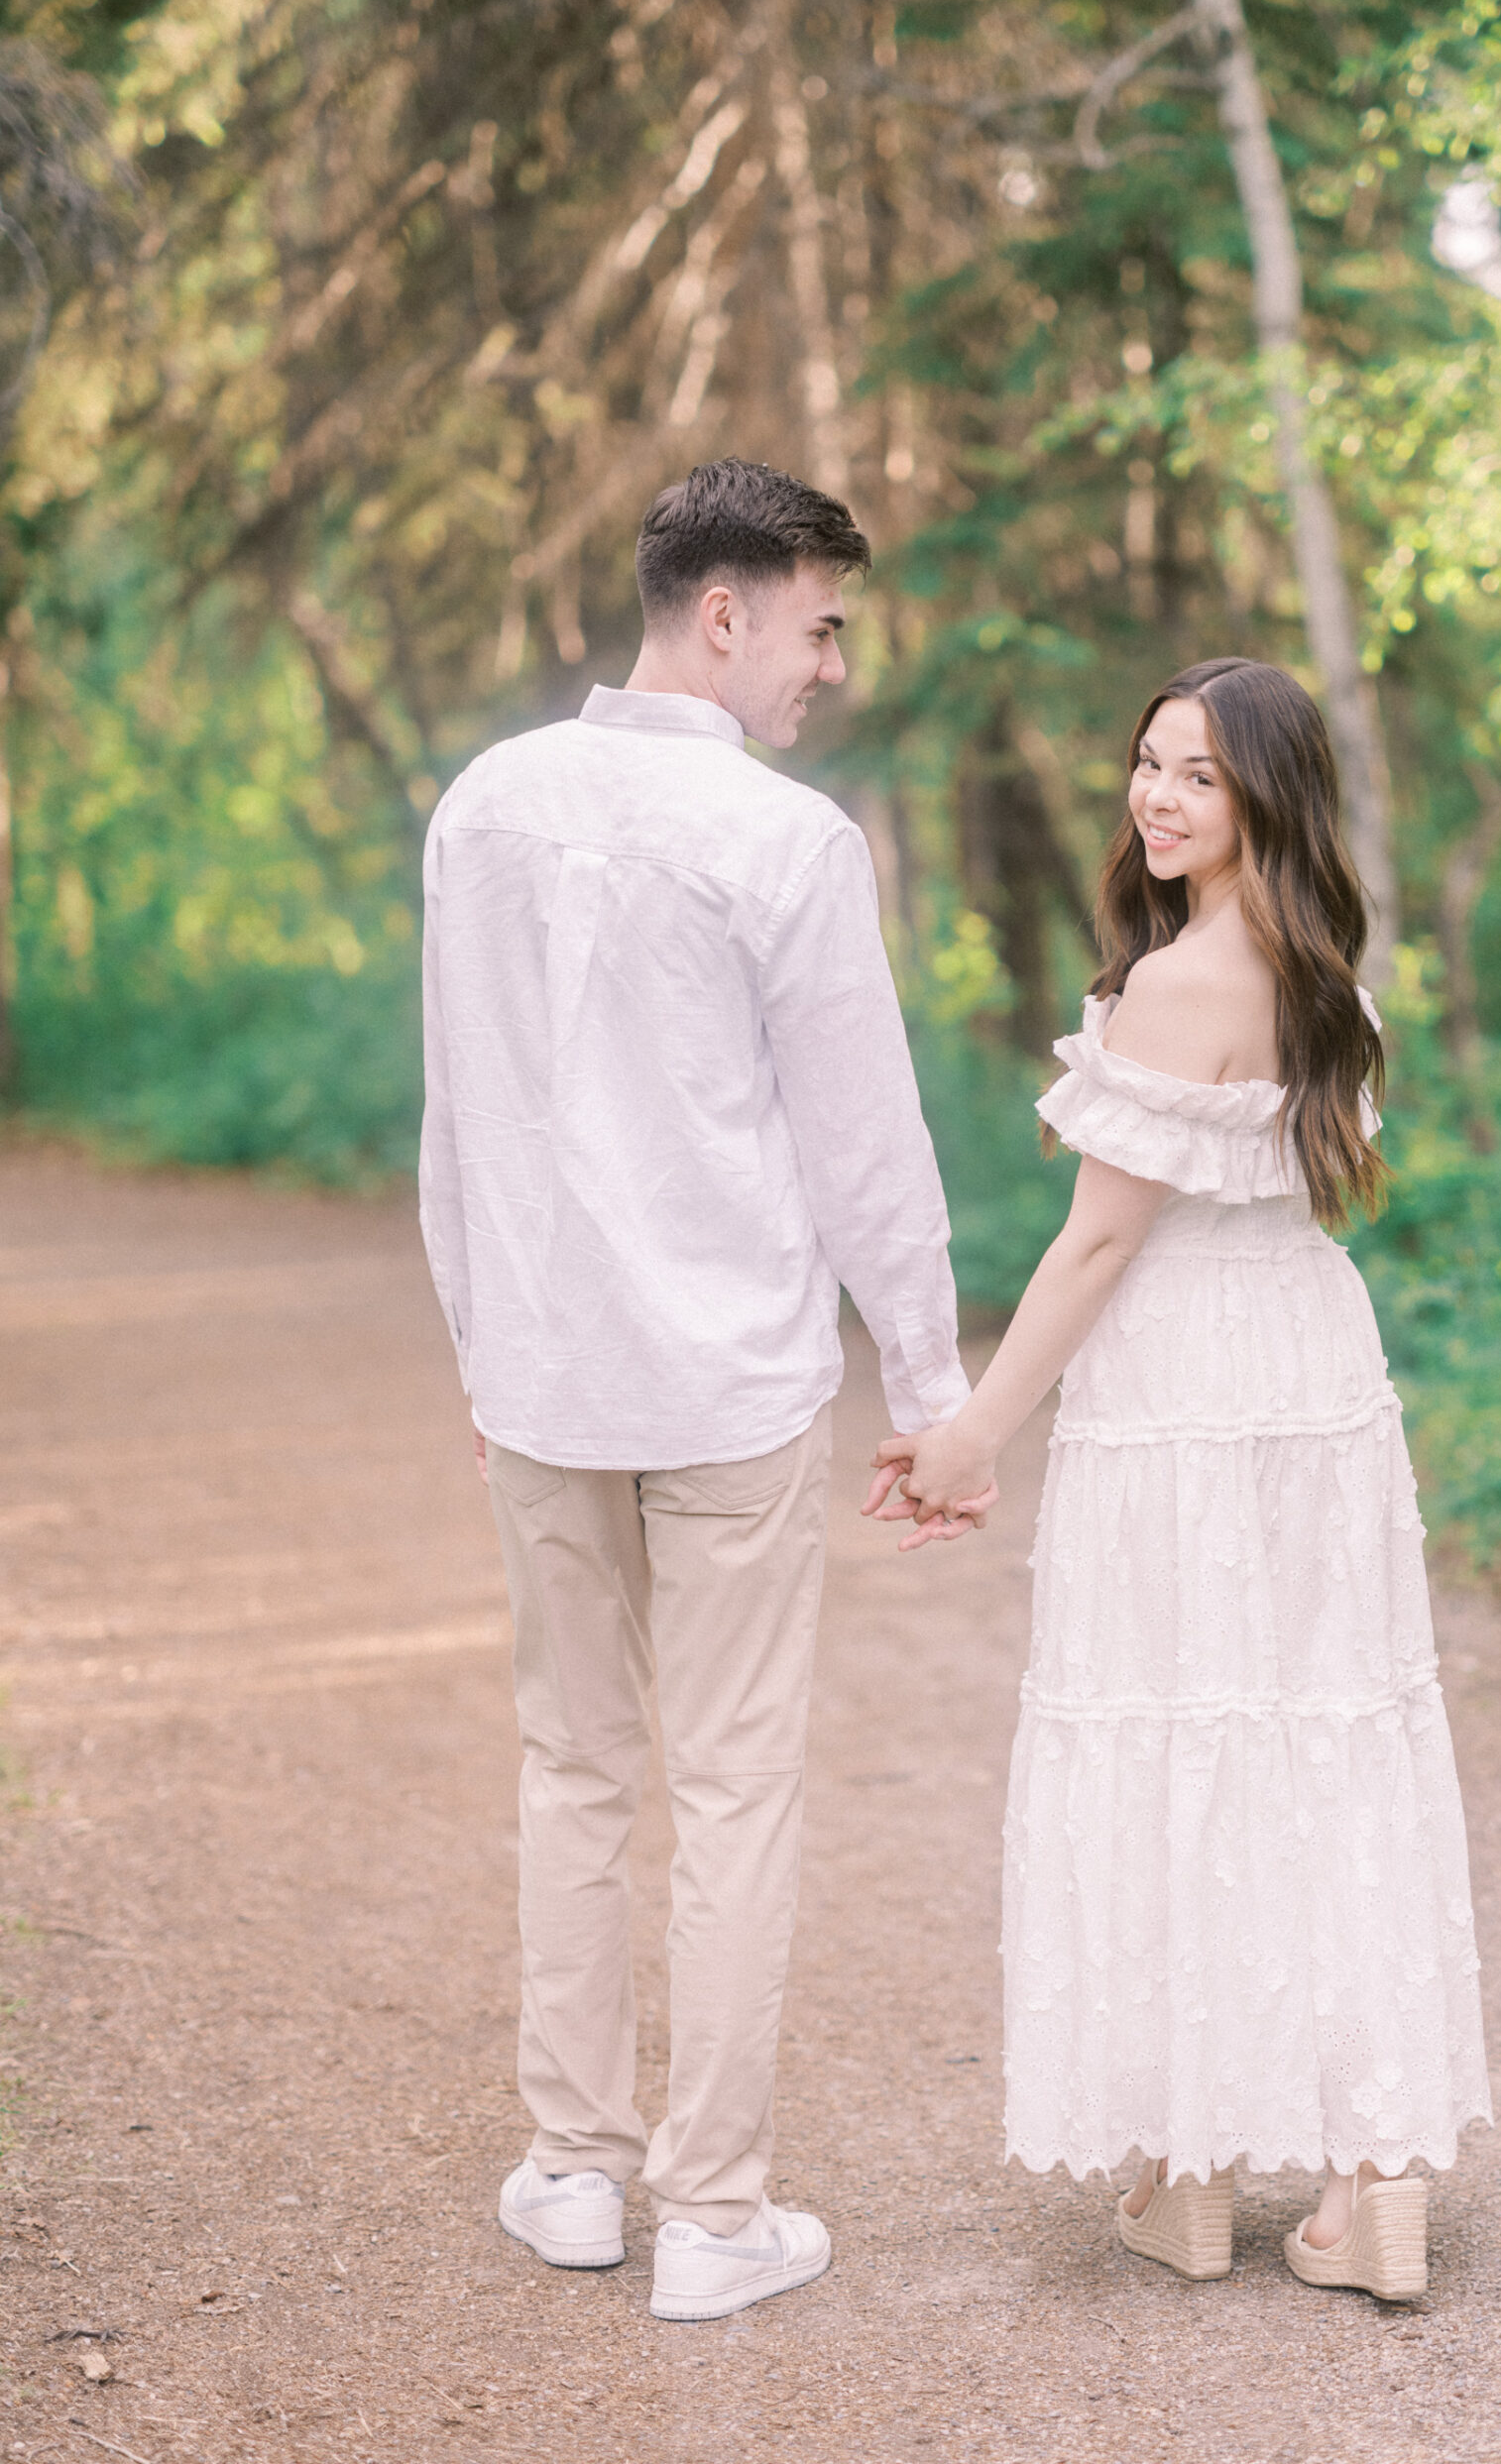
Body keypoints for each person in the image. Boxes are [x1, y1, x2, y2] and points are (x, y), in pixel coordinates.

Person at [419, 459, 974, 2323]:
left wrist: (477, 1341)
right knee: (733, 1788)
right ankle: (714, 2214)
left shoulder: (481, 809)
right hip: (728, 1384)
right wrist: (927, 1378)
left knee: (574, 1769)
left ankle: (575, 2172)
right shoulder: (786, 842)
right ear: (720, 614)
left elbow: (457, 1124)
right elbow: (863, 1143)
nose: (828, 670)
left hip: (548, 1379)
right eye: (817, 627)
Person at [867, 658, 1490, 2298]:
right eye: (1146, 764)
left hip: (1182, 1388)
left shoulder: (1177, 988)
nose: (1155, 797)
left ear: (1261, 799)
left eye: (1197, 776)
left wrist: (971, 1434)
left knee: (1174, 1731)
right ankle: (1372, 2181)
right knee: (1320, 1738)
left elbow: (1094, 1252)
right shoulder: (1329, 980)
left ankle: (1191, 2171)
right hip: (1312, 1368)